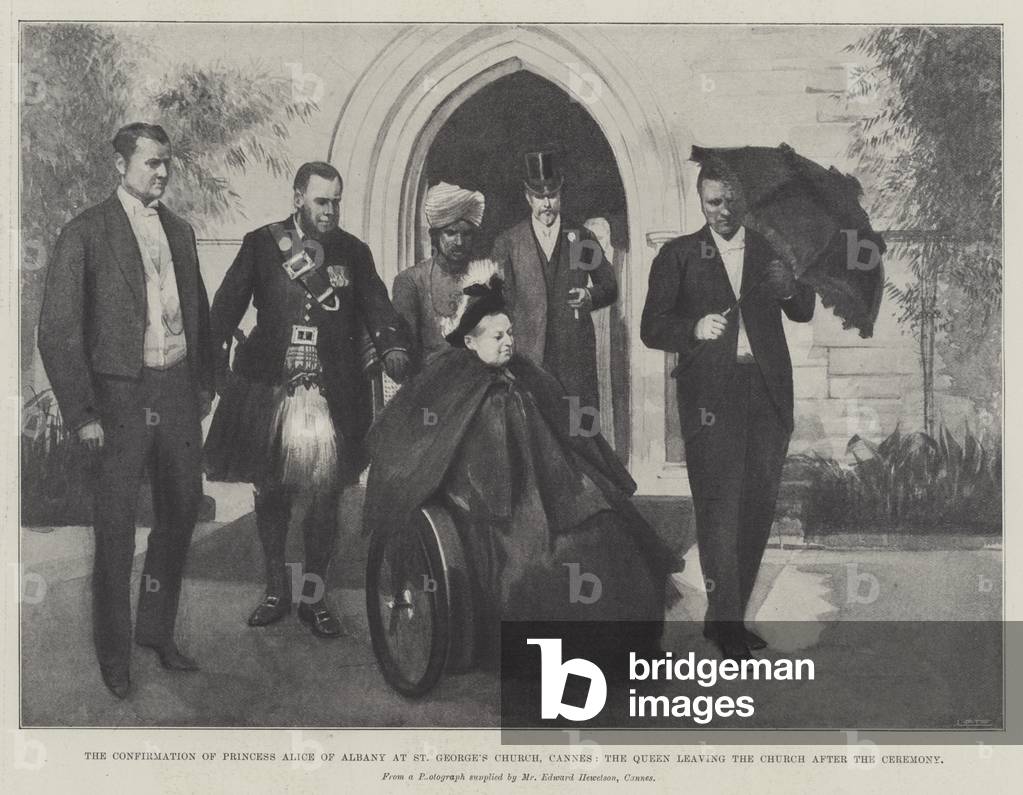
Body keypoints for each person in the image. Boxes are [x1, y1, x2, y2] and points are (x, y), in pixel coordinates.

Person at [365, 267, 671, 664]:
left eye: (510, 333)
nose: (509, 342)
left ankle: (612, 652)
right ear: (471, 342)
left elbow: (568, 428)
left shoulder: (527, 374)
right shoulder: (448, 381)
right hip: (484, 500)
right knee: (542, 562)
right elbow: (429, 446)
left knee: (607, 529)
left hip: (549, 482)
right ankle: (546, 655)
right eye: (497, 336)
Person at [38, 122, 213, 698]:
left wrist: (203, 387)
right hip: (118, 400)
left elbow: (200, 315)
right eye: (151, 163)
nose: (161, 173)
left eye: (167, 164)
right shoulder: (86, 231)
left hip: (177, 393)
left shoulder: (181, 232)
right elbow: (59, 333)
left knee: (179, 512)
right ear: (120, 165)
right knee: (115, 530)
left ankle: (156, 633)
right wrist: (83, 412)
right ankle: (114, 656)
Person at [204, 161, 411, 638]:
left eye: (336, 200)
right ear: (298, 198)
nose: (330, 210)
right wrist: (211, 366)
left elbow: (376, 304)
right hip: (269, 386)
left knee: (325, 499)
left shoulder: (353, 252)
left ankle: (314, 598)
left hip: (334, 389)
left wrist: (392, 344)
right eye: (321, 201)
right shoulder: (261, 244)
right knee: (271, 490)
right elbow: (224, 308)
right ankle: (276, 589)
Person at [640, 160, 815, 660]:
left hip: (766, 394)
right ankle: (728, 624)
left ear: (744, 200)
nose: (723, 211)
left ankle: (726, 619)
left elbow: (802, 309)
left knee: (757, 508)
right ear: (700, 201)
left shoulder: (768, 251)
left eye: (732, 201)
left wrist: (788, 286)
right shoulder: (678, 255)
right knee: (719, 509)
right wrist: (694, 329)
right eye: (714, 202)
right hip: (710, 399)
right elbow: (652, 327)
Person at [490, 150, 618, 418]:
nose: (546, 204)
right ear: (528, 197)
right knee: (533, 431)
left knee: (578, 430)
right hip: (527, 357)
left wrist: (589, 295)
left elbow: (610, 286)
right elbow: (496, 303)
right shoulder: (509, 243)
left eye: (552, 195)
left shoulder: (582, 237)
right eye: (539, 197)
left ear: (561, 195)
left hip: (574, 355)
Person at [391, 181, 486, 372]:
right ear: (434, 236)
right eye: (450, 233)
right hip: (431, 385)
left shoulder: (484, 278)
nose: (459, 242)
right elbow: (407, 349)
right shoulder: (412, 281)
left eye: (466, 234)